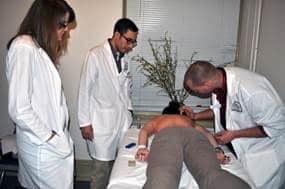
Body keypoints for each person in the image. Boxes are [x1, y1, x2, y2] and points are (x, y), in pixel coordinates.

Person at [5, 0, 76, 188]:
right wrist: (51, 138)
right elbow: (19, 109)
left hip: (48, 144)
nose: (66, 30)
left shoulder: (37, 48)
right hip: (42, 146)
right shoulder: (24, 47)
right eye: (63, 24)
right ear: (46, 20)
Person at [182, 60, 285, 188]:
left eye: (195, 90)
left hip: (263, 153)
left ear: (206, 84)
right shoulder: (219, 82)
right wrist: (196, 116)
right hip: (236, 151)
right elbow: (220, 109)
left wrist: (235, 134)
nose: (195, 93)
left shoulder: (251, 90)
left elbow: (277, 126)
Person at [78, 18, 138, 188]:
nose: (131, 46)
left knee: (117, 169)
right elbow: (84, 90)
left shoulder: (124, 60)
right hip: (101, 123)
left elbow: (127, 89)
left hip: (121, 120)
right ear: (117, 35)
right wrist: (84, 123)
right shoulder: (95, 55)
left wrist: (129, 110)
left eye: (134, 42)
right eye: (129, 40)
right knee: (101, 171)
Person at [135, 101, 230, 164]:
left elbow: (144, 131)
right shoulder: (186, 120)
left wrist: (142, 147)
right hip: (188, 137)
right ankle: (214, 157)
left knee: (164, 152)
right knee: (197, 152)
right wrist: (217, 149)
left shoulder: (159, 119)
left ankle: (156, 157)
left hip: (167, 138)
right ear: (181, 113)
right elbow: (207, 134)